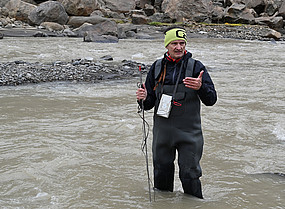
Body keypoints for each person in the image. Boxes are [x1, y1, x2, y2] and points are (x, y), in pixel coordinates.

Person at [136, 26, 217, 199]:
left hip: (189, 135)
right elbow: (148, 105)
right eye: (174, 43)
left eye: (182, 43)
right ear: (167, 45)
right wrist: (142, 98)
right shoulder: (157, 67)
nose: (179, 47)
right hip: (162, 135)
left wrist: (201, 87)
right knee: (161, 177)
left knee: (190, 174)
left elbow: (211, 100)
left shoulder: (196, 67)